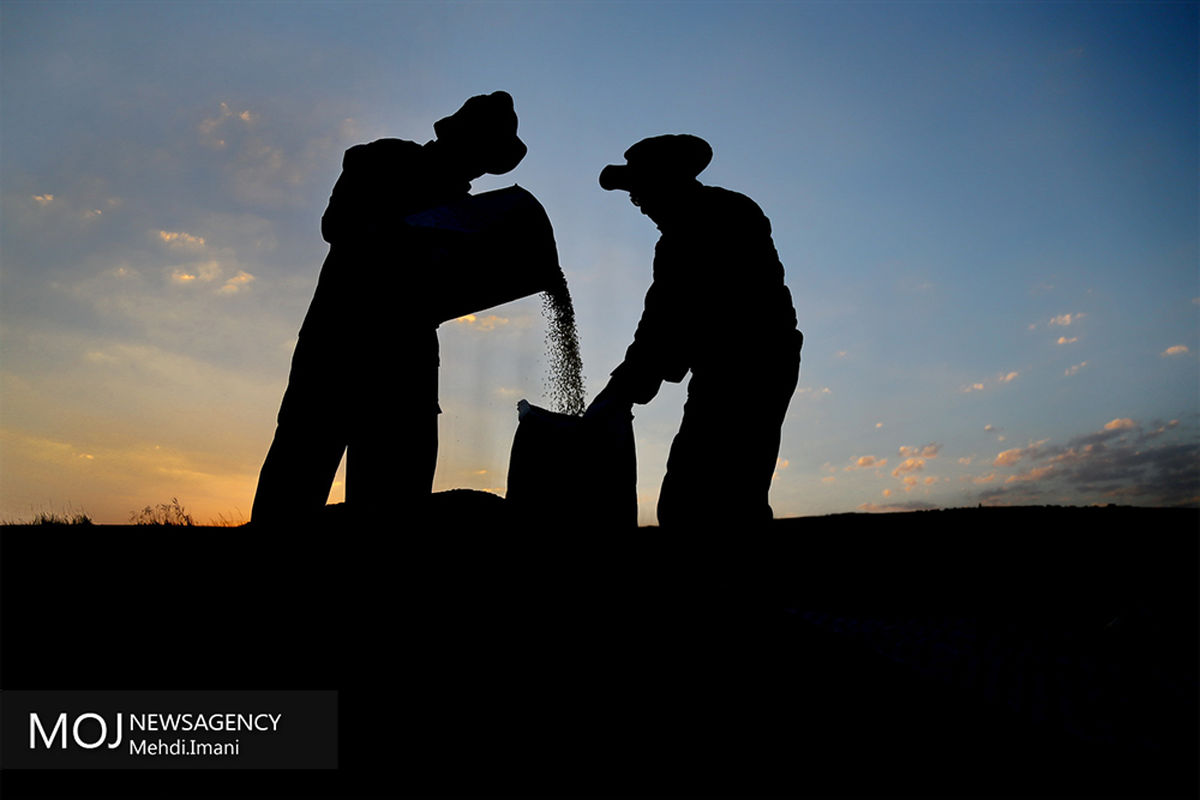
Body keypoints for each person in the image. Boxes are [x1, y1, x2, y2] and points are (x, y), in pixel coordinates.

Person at [252, 91, 527, 524]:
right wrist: (415, 234)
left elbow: (453, 289)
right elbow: (337, 226)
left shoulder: (469, 213)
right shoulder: (386, 161)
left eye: (486, 162)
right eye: (478, 154)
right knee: (296, 478)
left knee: (394, 503)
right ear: (455, 139)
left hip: (406, 362)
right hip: (339, 345)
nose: (477, 170)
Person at [585, 134, 802, 528]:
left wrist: (622, 390)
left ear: (668, 182)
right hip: (726, 366)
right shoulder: (684, 235)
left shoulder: (721, 218)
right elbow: (666, 322)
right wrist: (628, 386)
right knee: (708, 493)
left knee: (712, 495)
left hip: (754, 365)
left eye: (641, 193)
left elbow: (671, 317)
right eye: (634, 196)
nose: (639, 205)